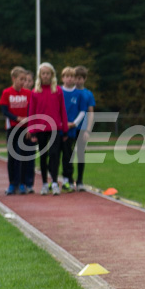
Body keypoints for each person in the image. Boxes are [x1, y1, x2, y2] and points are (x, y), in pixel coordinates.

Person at [28, 62, 68, 195]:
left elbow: (62, 110)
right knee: (43, 156)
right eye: (43, 73)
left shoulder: (57, 90)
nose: (45, 76)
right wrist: (32, 130)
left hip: (55, 127)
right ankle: (45, 183)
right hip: (40, 129)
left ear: (52, 75)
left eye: (48, 73)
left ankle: (55, 182)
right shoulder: (35, 92)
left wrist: (65, 128)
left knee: (54, 154)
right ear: (40, 75)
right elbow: (32, 112)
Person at [0, 66, 32, 195]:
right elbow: (4, 110)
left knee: (23, 156)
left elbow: (31, 110)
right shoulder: (7, 92)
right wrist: (17, 118)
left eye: (24, 79)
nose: (23, 82)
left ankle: (22, 183)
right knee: (12, 156)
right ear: (14, 78)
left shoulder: (28, 93)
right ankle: (12, 183)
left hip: (24, 129)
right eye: (21, 79)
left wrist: (29, 125)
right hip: (12, 128)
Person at [59, 66, 87, 192]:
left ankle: (75, 179)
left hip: (74, 128)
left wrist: (74, 123)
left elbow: (84, 111)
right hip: (61, 128)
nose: (70, 79)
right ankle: (63, 179)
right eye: (67, 76)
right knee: (61, 154)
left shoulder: (80, 94)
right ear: (63, 78)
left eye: (72, 77)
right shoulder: (58, 91)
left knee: (75, 154)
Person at [74, 65, 96, 191]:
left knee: (81, 154)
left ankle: (80, 180)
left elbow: (91, 112)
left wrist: (88, 129)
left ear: (85, 79)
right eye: (76, 78)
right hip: (70, 127)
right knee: (67, 154)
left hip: (82, 128)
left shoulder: (88, 94)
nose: (78, 80)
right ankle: (68, 179)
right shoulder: (70, 92)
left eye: (80, 78)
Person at [22, 70, 36, 191]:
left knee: (30, 157)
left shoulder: (34, 95)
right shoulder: (19, 96)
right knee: (19, 157)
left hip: (32, 131)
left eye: (29, 81)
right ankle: (19, 183)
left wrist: (31, 129)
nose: (26, 83)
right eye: (24, 80)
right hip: (19, 131)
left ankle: (29, 183)